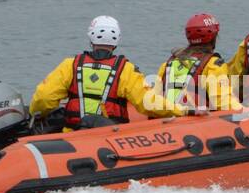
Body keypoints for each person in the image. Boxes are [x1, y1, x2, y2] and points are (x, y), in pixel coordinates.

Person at [30, 15, 187, 130]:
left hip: (72, 136)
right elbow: (148, 102)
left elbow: (43, 98)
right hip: (108, 136)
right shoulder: (125, 69)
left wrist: (34, 114)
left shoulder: (69, 65)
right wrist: (181, 110)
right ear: (116, 39)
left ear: (91, 37)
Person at [156, 13, 241, 112]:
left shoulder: (167, 64)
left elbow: (155, 98)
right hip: (195, 122)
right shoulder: (213, 65)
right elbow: (224, 103)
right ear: (213, 37)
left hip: (168, 119)